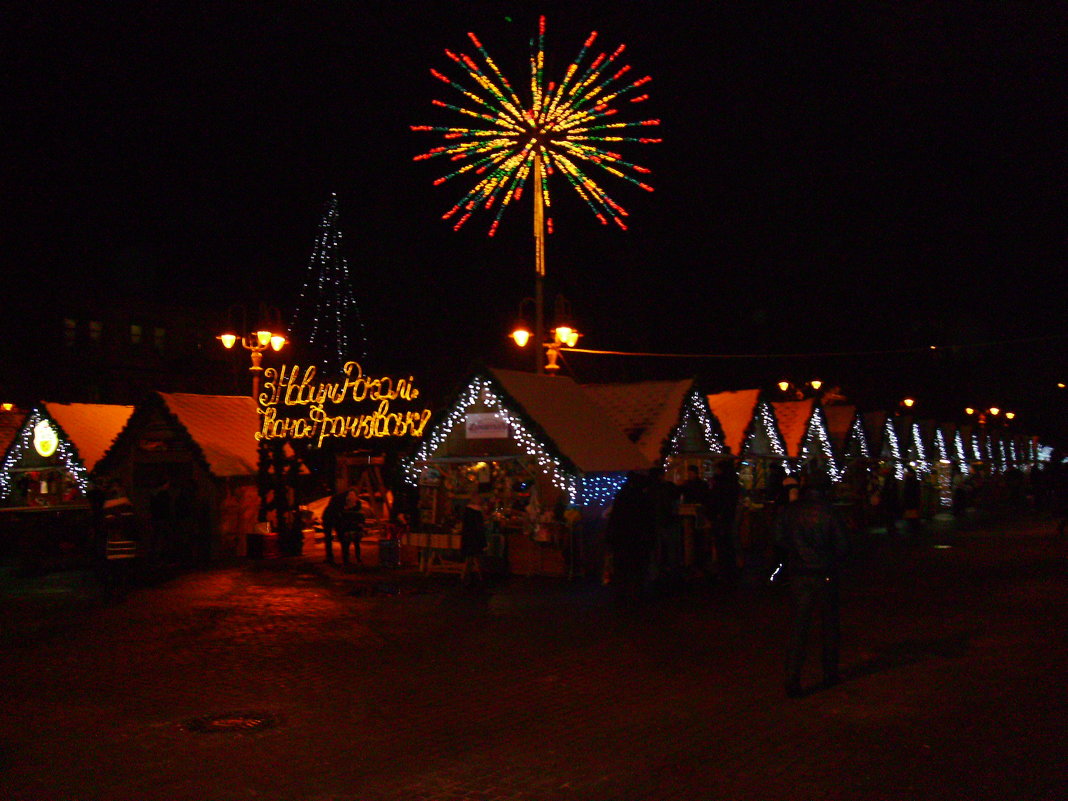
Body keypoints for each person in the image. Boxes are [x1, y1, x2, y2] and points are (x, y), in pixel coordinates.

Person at [774, 475, 849, 698]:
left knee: (799, 627)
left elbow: (778, 538)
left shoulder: (790, 510)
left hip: (799, 574)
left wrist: (795, 554)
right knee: (829, 625)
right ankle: (829, 673)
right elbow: (844, 545)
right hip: (825, 573)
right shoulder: (830, 512)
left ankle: (792, 678)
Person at [604, 471, 655, 609]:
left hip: (621, 538)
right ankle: (635, 596)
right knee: (637, 569)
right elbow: (648, 521)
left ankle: (621, 596)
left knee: (622, 569)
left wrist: (610, 537)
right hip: (638, 539)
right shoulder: (643, 498)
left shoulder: (622, 497)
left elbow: (615, 519)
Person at [709, 461, 740, 585]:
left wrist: (714, 514)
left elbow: (715, 501)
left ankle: (724, 571)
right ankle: (730, 570)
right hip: (727, 517)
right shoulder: (733, 484)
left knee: (722, 544)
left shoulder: (720, 485)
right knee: (728, 543)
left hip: (721, 517)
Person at [460, 496, 487, 585]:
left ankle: (467, 577)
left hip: (468, 539)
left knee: (470, 557)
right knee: (473, 557)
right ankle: (470, 577)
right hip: (475, 539)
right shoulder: (477, 513)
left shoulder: (467, 512)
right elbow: (479, 529)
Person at [337, 490, 365, 565]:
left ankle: (347, 560)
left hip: (349, 527)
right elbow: (360, 516)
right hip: (352, 527)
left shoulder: (346, 509)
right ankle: (355, 559)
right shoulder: (355, 507)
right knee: (354, 544)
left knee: (348, 545)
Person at [321, 490, 347, 564]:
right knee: (339, 537)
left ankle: (330, 558)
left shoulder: (338, 498)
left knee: (329, 538)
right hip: (331, 517)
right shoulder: (341, 500)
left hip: (330, 516)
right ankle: (343, 558)